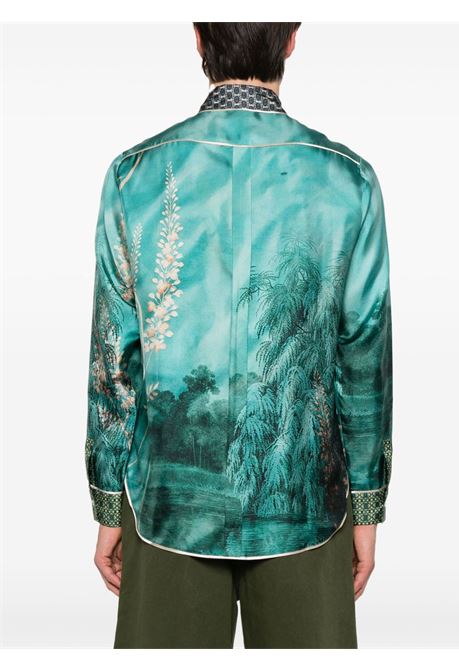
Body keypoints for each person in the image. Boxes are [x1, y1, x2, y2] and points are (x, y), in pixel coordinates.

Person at [84, 22, 393, 649]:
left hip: (163, 512)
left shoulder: (134, 176)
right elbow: (364, 355)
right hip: (309, 510)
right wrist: (366, 504)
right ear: (292, 39)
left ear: (199, 39)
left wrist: (109, 503)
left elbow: (113, 361)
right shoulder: (348, 180)